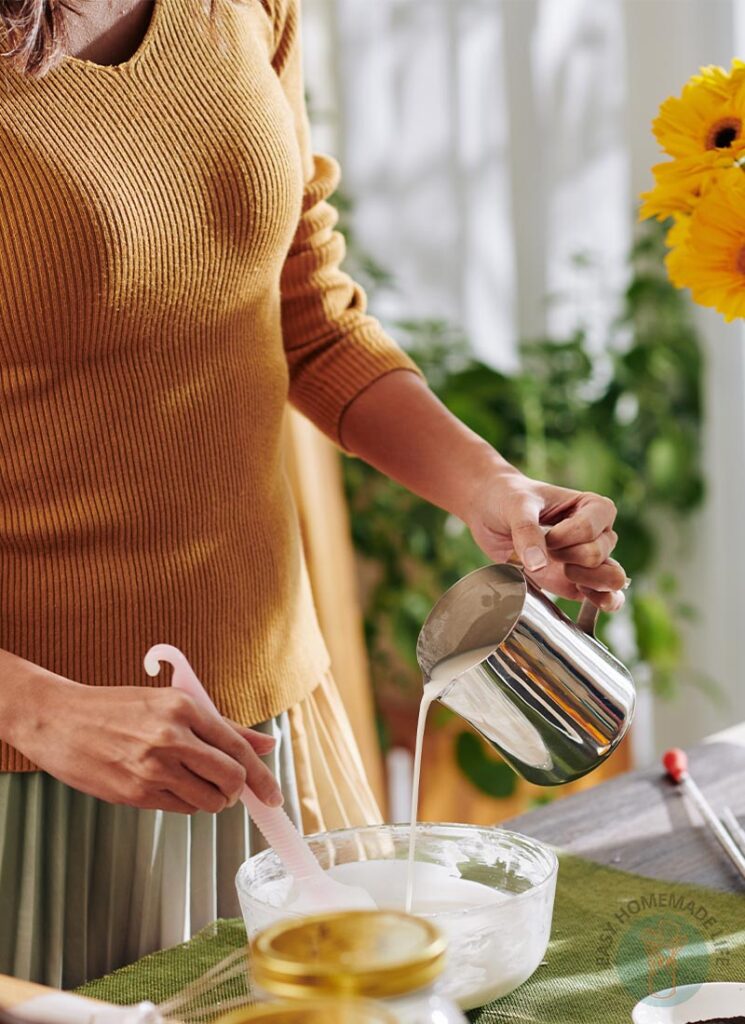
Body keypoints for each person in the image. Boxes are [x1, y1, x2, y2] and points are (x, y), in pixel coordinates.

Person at [0, 0, 628, 991]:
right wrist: (33, 710)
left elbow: (304, 313)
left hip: (277, 738)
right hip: (35, 782)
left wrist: (487, 484)